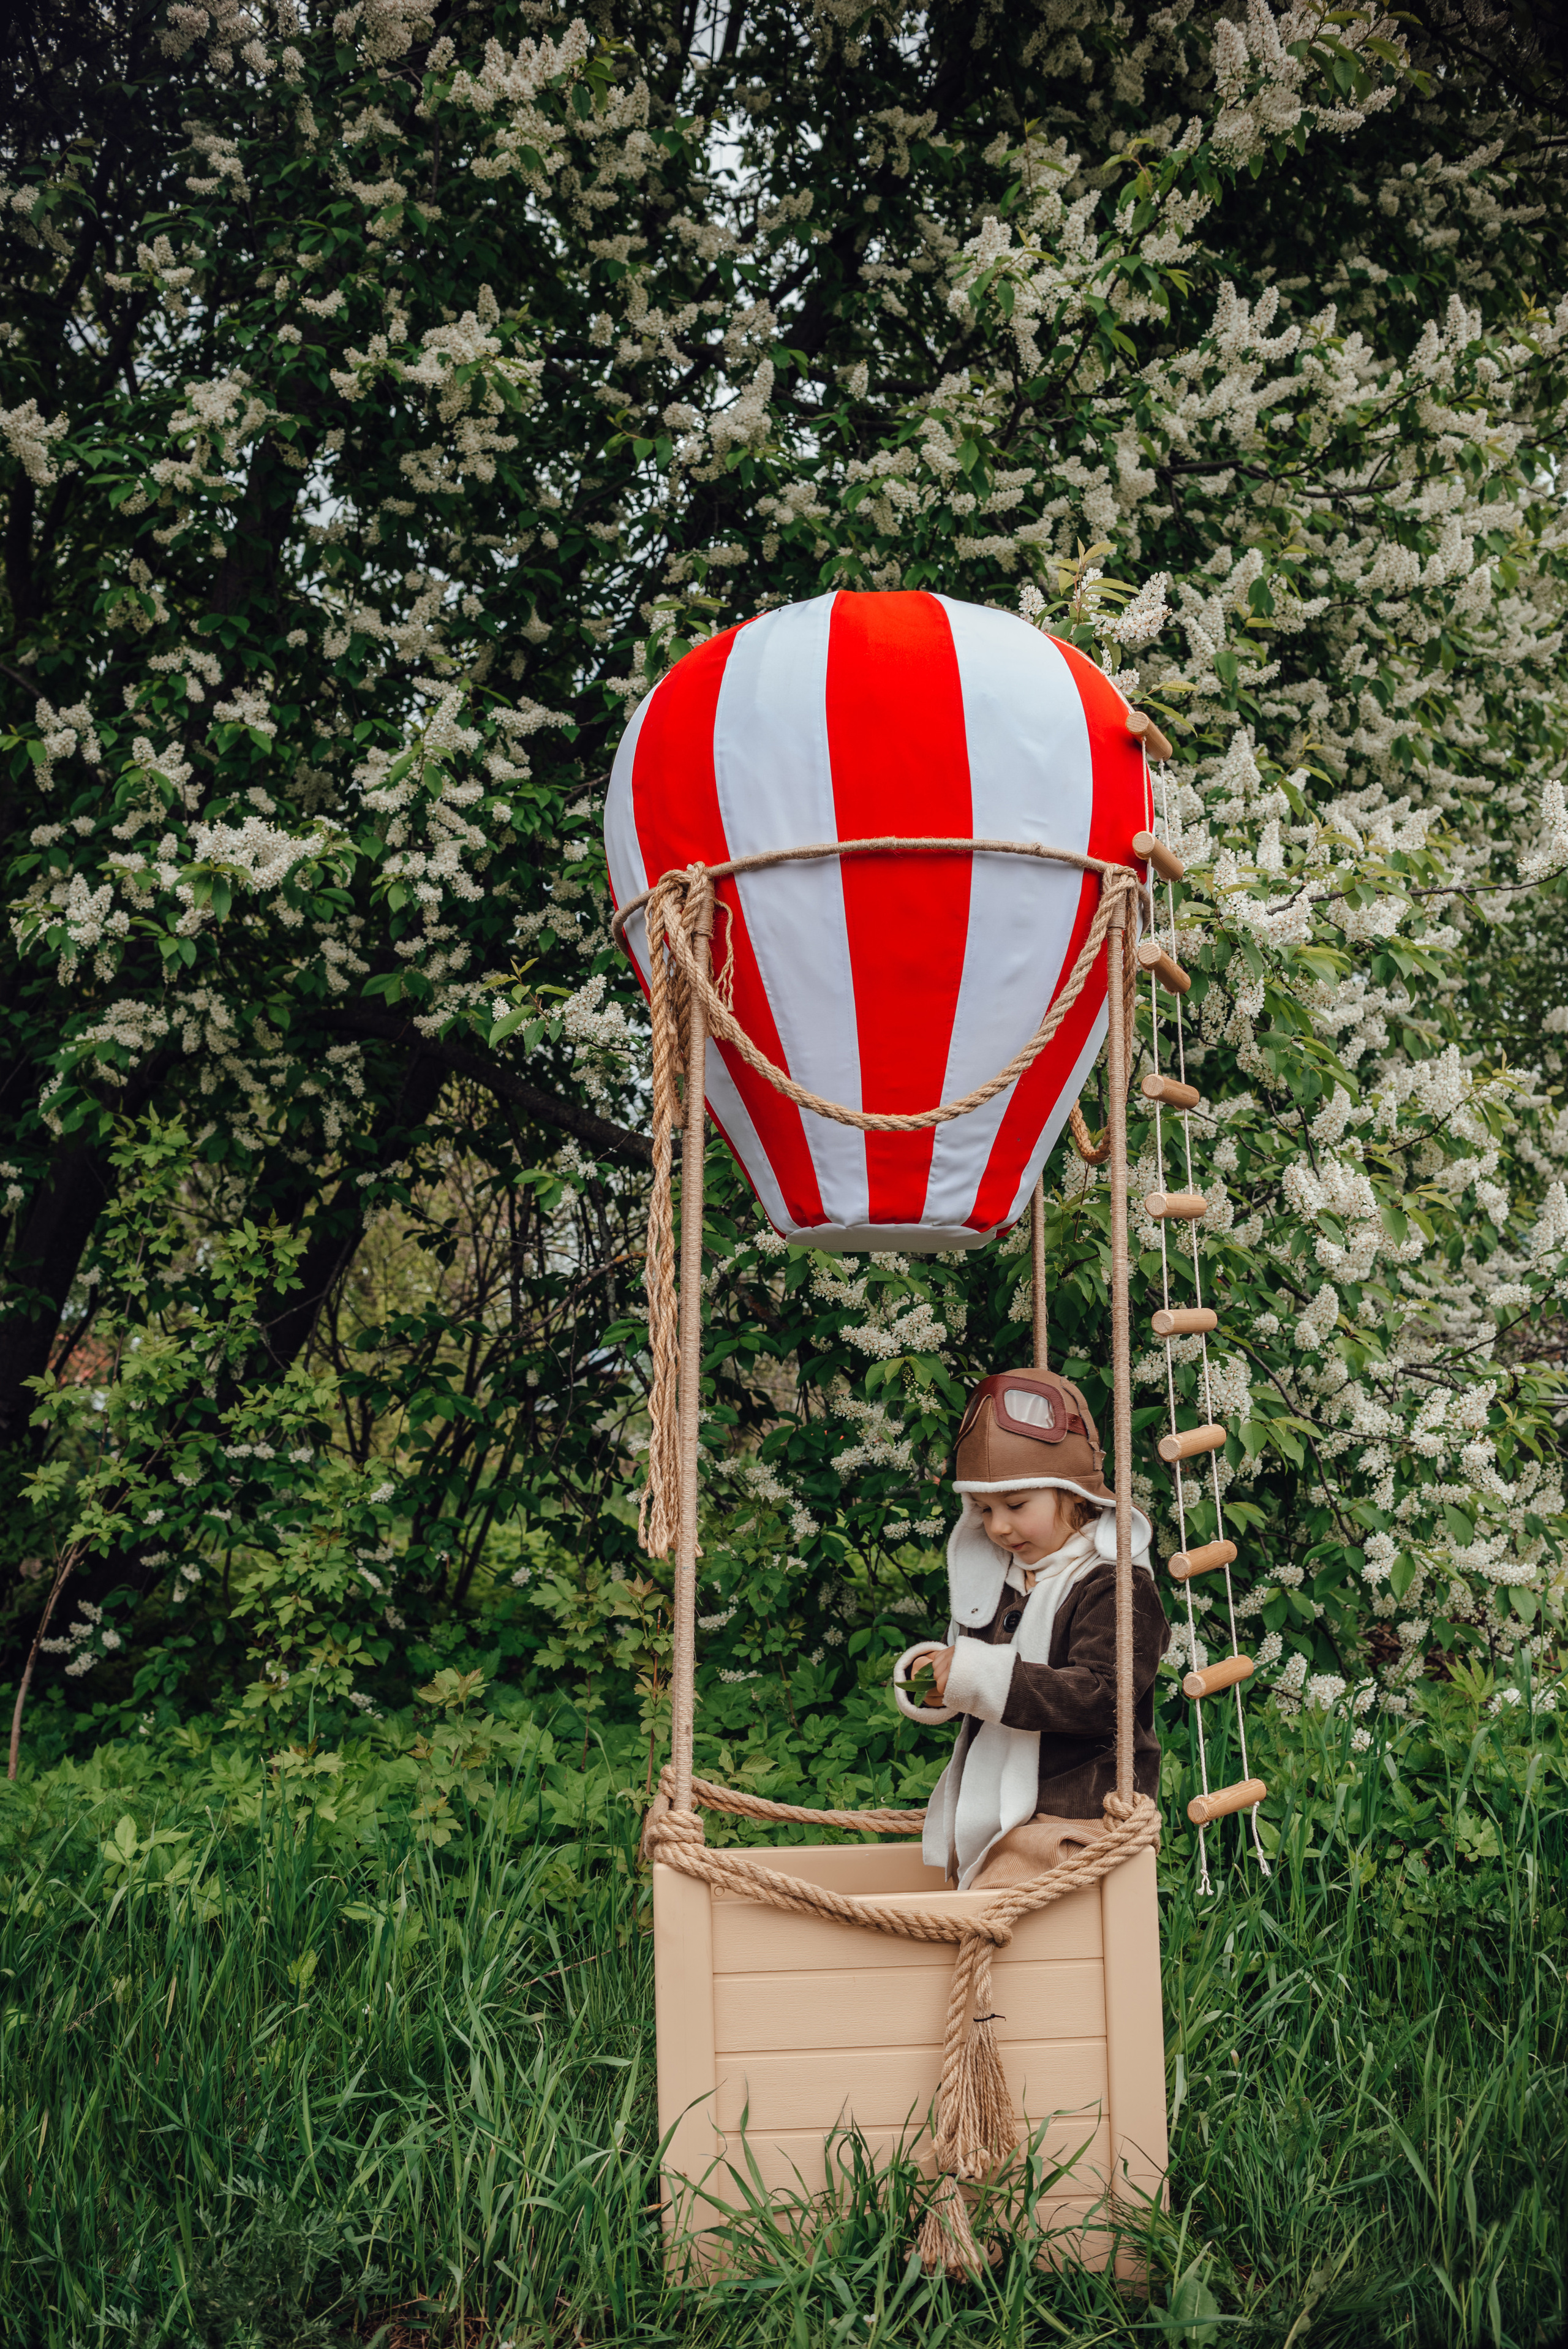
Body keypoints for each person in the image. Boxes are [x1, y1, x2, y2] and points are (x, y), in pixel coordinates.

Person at [907, 1367, 1169, 1891]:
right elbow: (972, 1664)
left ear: (1072, 1495)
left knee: (989, 1906)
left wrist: (975, 1674)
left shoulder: (1114, 1584)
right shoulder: (1003, 1579)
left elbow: (1103, 1696)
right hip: (1003, 1809)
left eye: (1017, 1506)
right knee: (965, 1895)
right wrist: (934, 1678)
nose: (999, 1527)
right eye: (983, 1509)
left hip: (1078, 1814)